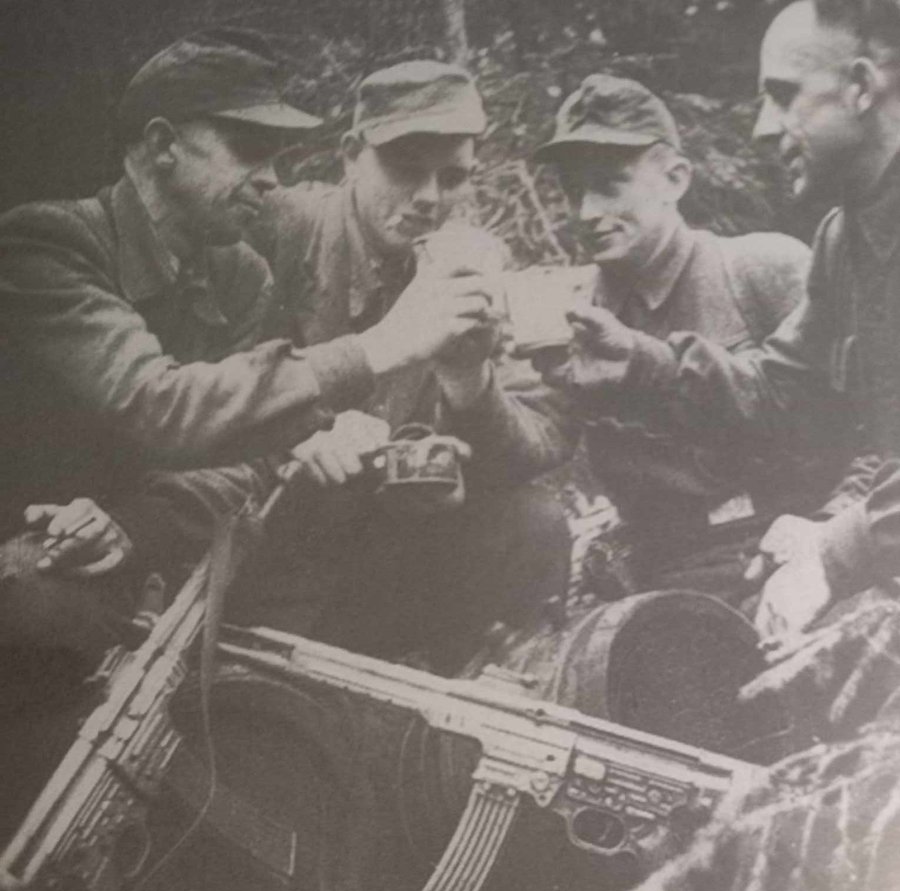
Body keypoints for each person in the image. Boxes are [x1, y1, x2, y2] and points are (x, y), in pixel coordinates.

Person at [0, 33, 501, 670]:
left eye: (277, 155)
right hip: (24, 534)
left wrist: (132, 528)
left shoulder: (238, 273)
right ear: (162, 146)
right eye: (248, 150)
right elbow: (160, 405)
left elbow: (251, 460)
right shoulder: (45, 245)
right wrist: (379, 347)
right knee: (32, 597)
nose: (270, 178)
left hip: (125, 544)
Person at [537, 1, 900, 659]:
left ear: (861, 86)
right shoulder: (845, 239)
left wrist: (830, 547)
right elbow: (788, 395)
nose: (764, 128)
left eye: (784, 97)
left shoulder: (782, 258)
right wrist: (647, 363)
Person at [240, 61, 577, 672]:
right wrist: (292, 434)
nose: (429, 199)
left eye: (452, 178)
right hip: (249, 542)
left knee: (533, 520)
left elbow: (536, 445)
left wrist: (466, 387)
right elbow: (178, 389)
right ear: (350, 157)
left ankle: (476, 706)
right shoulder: (275, 227)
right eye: (405, 168)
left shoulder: (464, 263)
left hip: (372, 551)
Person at [530, 73, 827, 605]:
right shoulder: (578, 311)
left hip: (778, 553)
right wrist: (469, 380)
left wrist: (830, 540)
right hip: (659, 573)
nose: (586, 212)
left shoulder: (764, 270)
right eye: (574, 190)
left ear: (676, 178)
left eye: (609, 183)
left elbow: (868, 427)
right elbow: (537, 445)